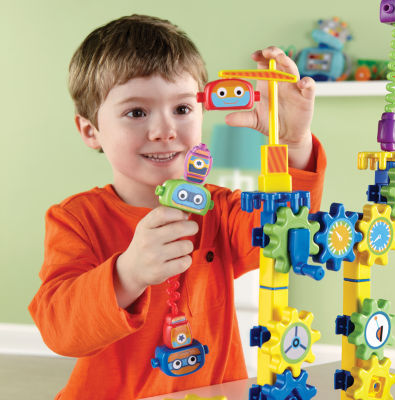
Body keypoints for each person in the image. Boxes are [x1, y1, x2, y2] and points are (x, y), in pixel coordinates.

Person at [29, 14, 326, 400]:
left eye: (182, 109)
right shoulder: (76, 219)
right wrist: (128, 274)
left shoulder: (220, 209)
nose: (165, 130)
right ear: (91, 130)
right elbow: (59, 331)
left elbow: (286, 235)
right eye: (137, 112)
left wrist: (294, 142)